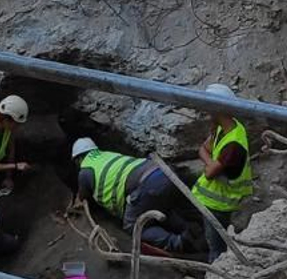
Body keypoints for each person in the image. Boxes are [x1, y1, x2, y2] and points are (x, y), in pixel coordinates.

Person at [71, 138, 189, 254]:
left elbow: (83, 196)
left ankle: (178, 243)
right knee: (162, 207)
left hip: (146, 184)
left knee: (133, 226)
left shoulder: (85, 171)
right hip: (164, 172)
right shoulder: (107, 154)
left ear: (78, 159)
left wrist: (76, 201)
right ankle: (188, 231)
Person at [191, 85, 254, 260]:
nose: (205, 112)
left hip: (219, 204)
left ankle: (215, 272)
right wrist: (211, 163)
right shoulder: (225, 128)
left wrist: (209, 165)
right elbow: (203, 149)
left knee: (216, 249)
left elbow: (209, 173)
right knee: (210, 240)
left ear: (216, 109)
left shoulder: (233, 144)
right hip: (211, 200)